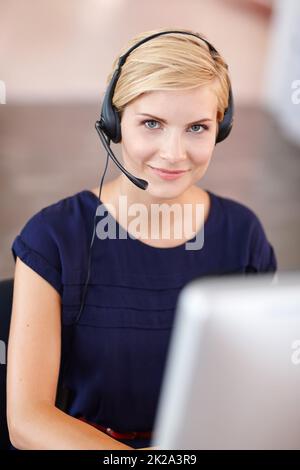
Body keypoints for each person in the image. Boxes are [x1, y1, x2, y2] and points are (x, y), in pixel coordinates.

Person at [7, 27, 277, 450]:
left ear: (220, 128)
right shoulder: (52, 238)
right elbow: (26, 421)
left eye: (197, 127)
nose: (173, 153)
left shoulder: (244, 235)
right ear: (113, 123)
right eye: (152, 123)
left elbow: (261, 385)